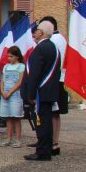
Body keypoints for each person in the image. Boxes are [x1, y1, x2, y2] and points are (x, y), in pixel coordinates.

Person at [22, 20, 60, 162]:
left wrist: (30, 94)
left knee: (42, 123)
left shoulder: (41, 48)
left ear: (41, 32)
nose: (35, 32)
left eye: (37, 30)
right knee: (46, 122)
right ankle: (46, 148)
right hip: (49, 91)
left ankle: (43, 151)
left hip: (40, 92)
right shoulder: (53, 47)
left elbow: (35, 74)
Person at [40, 15, 67, 155]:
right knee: (55, 113)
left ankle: (52, 142)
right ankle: (54, 142)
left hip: (54, 80)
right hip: (60, 79)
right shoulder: (61, 38)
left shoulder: (53, 40)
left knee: (51, 113)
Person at [0, 46, 25, 147]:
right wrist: (2, 91)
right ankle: (8, 138)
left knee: (16, 117)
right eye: (8, 56)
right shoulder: (6, 67)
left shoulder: (21, 66)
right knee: (8, 117)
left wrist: (10, 92)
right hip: (5, 94)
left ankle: (18, 139)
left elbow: (20, 82)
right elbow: (2, 80)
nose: (9, 58)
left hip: (15, 94)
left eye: (11, 56)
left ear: (17, 56)